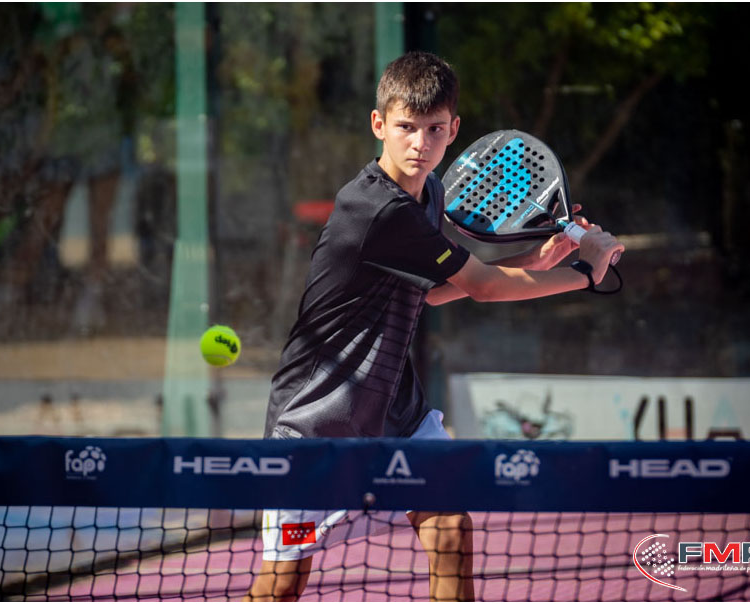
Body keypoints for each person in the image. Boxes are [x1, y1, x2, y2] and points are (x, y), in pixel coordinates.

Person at [246, 51, 624, 602]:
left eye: (434, 129)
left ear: (453, 129)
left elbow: (426, 293)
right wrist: (585, 273)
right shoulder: (377, 208)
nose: (420, 143)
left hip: (396, 412)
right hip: (316, 423)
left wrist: (536, 262)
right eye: (406, 127)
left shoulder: (431, 195)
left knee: (450, 530)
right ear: (379, 124)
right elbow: (484, 287)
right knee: (282, 586)